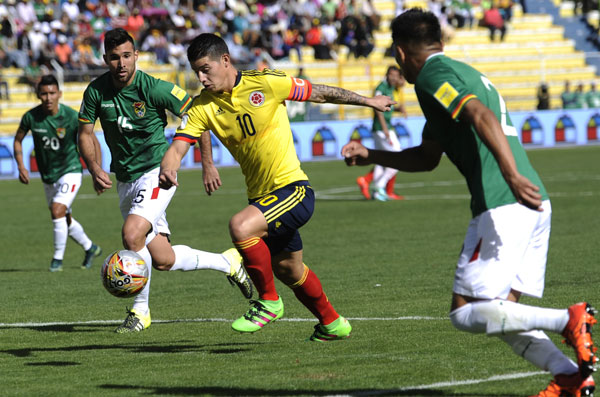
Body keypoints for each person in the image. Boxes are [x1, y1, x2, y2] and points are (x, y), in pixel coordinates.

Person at [341, 9, 597, 396]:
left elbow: (478, 115)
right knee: (500, 314)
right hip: (532, 203)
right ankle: (570, 378)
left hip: (503, 202)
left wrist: (509, 176)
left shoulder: (430, 75)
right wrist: (373, 156)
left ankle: (568, 319)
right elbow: (427, 157)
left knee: (465, 311)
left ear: (400, 52)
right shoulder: (465, 73)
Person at [159, 33, 395, 341]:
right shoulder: (203, 107)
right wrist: (169, 163)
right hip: (263, 198)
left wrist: (367, 101)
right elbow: (179, 144)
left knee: (241, 227)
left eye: (206, 69)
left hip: (293, 190)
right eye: (197, 72)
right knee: (288, 270)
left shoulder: (266, 83)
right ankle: (332, 323)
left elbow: (319, 93)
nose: (201, 78)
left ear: (225, 61)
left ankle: (269, 302)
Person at [77, 28, 253, 334]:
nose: (122, 63)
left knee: (132, 235)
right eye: (115, 57)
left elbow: (199, 115)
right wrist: (94, 167)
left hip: (159, 172)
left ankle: (140, 312)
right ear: (105, 59)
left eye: (127, 56)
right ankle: (228, 263)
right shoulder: (95, 92)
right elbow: (85, 133)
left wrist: (207, 164)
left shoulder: (154, 88)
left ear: (136, 56)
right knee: (162, 259)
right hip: (126, 179)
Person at [13, 75, 102, 272]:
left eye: (52, 93)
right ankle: (90, 248)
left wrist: (97, 171)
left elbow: (93, 140)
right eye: (44, 93)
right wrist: (21, 166)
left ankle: (57, 260)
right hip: (48, 176)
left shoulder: (71, 116)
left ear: (59, 94)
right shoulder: (30, 117)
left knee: (56, 210)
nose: (48, 97)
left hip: (70, 170)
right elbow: (18, 140)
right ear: (38, 95)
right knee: (63, 217)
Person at [356, 66, 406, 201]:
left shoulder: (391, 87)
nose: (394, 78)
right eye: (392, 75)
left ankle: (377, 191)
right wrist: (385, 129)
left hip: (386, 129)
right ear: (387, 74)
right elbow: (377, 109)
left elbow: (402, 83)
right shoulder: (381, 88)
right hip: (382, 129)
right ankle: (379, 186)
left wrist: (398, 109)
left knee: (381, 160)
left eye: (396, 75)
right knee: (398, 158)